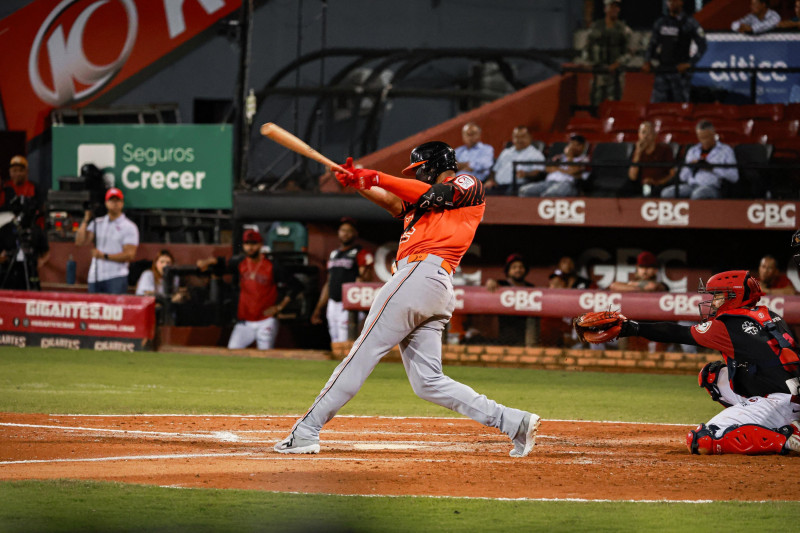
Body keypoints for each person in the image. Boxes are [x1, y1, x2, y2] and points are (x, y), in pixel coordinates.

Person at [274, 141, 540, 457]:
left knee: (361, 354)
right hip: (430, 286)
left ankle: (306, 430)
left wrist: (375, 176)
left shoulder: (465, 184)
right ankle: (514, 422)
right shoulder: (420, 204)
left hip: (422, 276)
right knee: (428, 382)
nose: (417, 175)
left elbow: (432, 194)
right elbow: (392, 202)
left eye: (418, 169)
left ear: (432, 165)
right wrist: (359, 182)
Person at [577, 271, 800, 455]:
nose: (713, 301)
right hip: (788, 392)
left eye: (718, 295)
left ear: (734, 296)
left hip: (780, 402)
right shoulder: (768, 314)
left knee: (701, 441)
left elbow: (677, 332)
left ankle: (786, 436)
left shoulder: (728, 324)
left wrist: (631, 328)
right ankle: (766, 419)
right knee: (712, 376)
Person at [197, 228, 294, 350]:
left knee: (265, 354)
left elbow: (295, 286)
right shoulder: (240, 262)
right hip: (245, 321)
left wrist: (279, 307)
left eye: (253, 243)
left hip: (266, 320)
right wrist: (207, 261)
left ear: (260, 244)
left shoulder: (272, 265)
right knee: (232, 350)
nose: (250, 247)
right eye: (247, 244)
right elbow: (222, 262)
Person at [310, 218, 374, 343]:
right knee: (335, 340)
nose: (345, 233)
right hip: (333, 303)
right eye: (343, 230)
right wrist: (318, 308)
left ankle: (349, 363)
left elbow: (365, 280)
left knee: (345, 341)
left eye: (349, 231)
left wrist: (364, 275)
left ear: (355, 234)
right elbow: (329, 283)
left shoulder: (360, 252)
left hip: (349, 305)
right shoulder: (334, 254)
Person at [74, 187, 139, 294]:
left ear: (122, 203)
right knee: (95, 309)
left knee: (114, 309)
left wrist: (105, 256)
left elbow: (130, 255)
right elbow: (80, 242)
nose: (115, 203)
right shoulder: (98, 223)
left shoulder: (129, 227)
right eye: (111, 200)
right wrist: (86, 219)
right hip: (95, 276)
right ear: (106, 203)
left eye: (117, 200)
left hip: (116, 276)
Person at [641, 0, 707, 103]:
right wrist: (647, 60)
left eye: (674, 0)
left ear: (681, 2)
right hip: (662, 71)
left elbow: (702, 45)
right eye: (669, 1)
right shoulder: (661, 22)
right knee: (657, 108)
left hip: (680, 73)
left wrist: (689, 64)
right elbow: (652, 44)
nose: (671, 3)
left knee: (680, 108)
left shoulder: (689, 22)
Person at [661, 120, 738, 200]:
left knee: (697, 194)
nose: (704, 141)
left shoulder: (725, 150)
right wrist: (690, 166)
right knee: (667, 193)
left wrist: (712, 168)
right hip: (691, 185)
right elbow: (682, 177)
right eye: (701, 138)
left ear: (713, 134)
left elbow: (734, 177)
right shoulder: (693, 151)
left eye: (706, 137)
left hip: (712, 187)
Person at [583, 0, 633, 106]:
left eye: (616, 7)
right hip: (598, 73)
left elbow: (630, 52)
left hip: (615, 75)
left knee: (614, 104)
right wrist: (589, 63)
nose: (614, 10)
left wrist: (618, 63)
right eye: (611, 7)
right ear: (606, 8)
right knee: (595, 104)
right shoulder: (596, 27)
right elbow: (587, 48)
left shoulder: (623, 29)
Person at [486, 253, 536, 346]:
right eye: (514, 267)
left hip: (527, 337)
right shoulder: (501, 284)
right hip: (505, 335)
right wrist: (490, 281)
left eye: (521, 267)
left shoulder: (531, 287)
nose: (518, 270)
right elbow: (490, 283)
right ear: (508, 271)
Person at [518, 134, 589, 198]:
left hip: (568, 185)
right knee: (524, 191)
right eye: (571, 143)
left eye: (576, 144)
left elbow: (573, 171)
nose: (572, 147)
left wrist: (569, 157)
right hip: (549, 182)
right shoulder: (559, 157)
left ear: (582, 147)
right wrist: (566, 171)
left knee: (550, 194)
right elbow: (547, 168)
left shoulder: (584, 159)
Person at [486, 126, 546, 195]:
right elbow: (494, 170)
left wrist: (526, 174)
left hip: (517, 186)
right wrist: (491, 180)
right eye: (516, 137)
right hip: (498, 185)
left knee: (510, 193)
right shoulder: (506, 152)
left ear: (530, 137)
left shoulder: (536, 154)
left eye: (522, 137)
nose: (519, 140)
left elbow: (538, 172)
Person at [625, 121, 677, 197]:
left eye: (648, 133)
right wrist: (638, 153)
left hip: (659, 185)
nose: (645, 136)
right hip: (640, 185)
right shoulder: (635, 150)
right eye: (643, 132)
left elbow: (672, 174)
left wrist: (656, 182)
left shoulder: (664, 149)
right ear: (639, 135)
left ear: (654, 135)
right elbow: (633, 177)